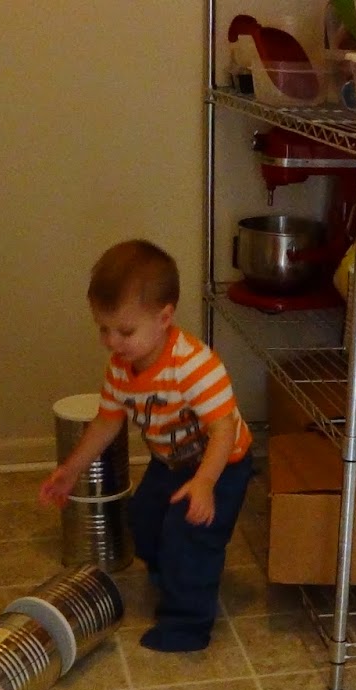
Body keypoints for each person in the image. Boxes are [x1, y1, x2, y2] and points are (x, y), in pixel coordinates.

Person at [40, 240, 253, 652]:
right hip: (171, 461)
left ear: (164, 318)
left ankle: (187, 626)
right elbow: (106, 422)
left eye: (124, 331)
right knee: (143, 519)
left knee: (190, 536)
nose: (112, 342)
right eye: (103, 328)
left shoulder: (194, 365)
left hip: (221, 465)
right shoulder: (122, 368)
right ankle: (169, 572)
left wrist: (205, 483)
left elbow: (223, 431)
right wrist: (71, 470)